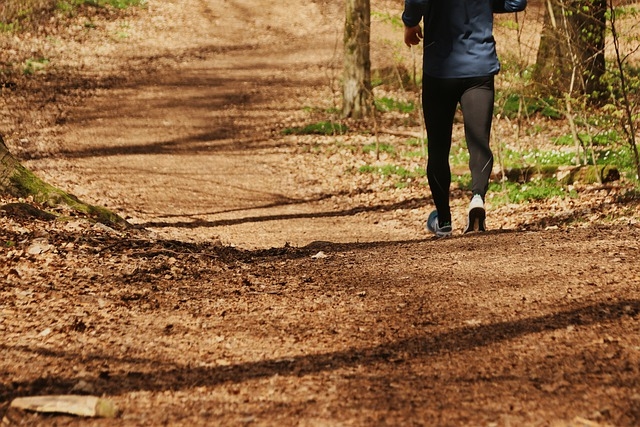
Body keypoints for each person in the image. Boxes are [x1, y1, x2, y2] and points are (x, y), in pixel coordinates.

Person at [402, 0, 527, 237]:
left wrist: (410, 22)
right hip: (480, 68)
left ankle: (444, 221)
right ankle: (477, 198)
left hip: (440, 70)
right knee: (479, 141)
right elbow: (516, 2)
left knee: (438, 147)